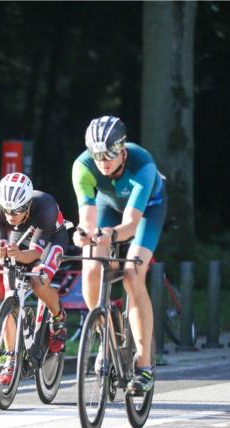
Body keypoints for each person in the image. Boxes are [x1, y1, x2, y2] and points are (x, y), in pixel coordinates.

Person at [71, 115, 166, 394]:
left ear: (122, 149)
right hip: (108, 206)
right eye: (97, 155)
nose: (103, 161)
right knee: (91, 266)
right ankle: (106, 336)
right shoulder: (82, 166)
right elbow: (87, 221)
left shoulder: (142, 165)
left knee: (132, 274)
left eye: (109, 154)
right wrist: (84, 234)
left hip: (146, 211)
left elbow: (130, 226)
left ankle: (144, 365)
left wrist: (110, 234)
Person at [0, 172, 68, 386]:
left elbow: (34, 254)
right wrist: (0, 251)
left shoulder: (45, 206)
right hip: (20, 237)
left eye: (17, 210)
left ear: (28, 203)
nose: (11, 215)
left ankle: (59, 318)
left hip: (51, 238)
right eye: (7, 210)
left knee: (38, 279)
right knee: (10, 291)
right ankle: (11, 358)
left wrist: (17, 255)